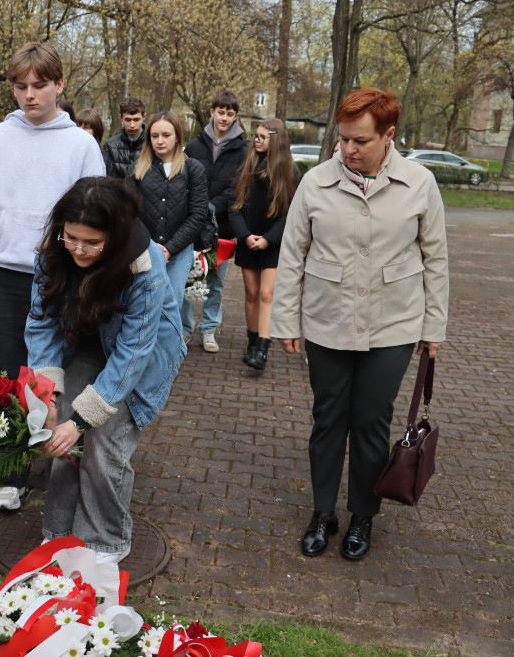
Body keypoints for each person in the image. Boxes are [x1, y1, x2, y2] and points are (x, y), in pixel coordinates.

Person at [272, 88, 449, 561]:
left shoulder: (419, 183)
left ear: (389, 136)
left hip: (393, 325)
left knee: (372, 422)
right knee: (328, 418)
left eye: (361, 141)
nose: (348, 150)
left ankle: (363, 515)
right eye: (343, 139)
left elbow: (435, 259)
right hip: (327, 321)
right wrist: (286, 319)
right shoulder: (315, 182)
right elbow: (292, 255)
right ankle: (323, 511)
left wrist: (434, 328)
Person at [0, 42, 105, 511]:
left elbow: (99, 213)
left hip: (63, 277)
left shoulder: (82, 144)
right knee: (4, 376)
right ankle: (10, 472)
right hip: (4, 274)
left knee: (55, 376)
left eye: (39, 86)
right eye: (21, 86)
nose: (29, 95)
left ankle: (64, 464)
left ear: (59, 85)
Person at [27, 176, 185, 564]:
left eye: (92, 242)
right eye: (72, 238)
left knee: (103, 437)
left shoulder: (145, 268)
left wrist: (82, 421)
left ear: (114, 236)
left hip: (143, 354)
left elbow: (133, 353)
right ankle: (60, 532)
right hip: (84, 342)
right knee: (58, 425)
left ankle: (105, 540)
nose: (79, 250)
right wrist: (48, 395)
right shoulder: (52, 253)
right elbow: (42, 324)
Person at [180, 91, 248, 352]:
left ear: (236, 116)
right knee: (189, 279)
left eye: (231, 114)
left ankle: (209, 329)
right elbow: (185, 181)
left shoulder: (243, 150)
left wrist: (211, 207)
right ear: (212, 112)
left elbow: (238, 189)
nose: (225, 118)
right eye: (221, 112)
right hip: (193, 225)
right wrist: (198, 208)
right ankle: (185, 329)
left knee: (216, 283)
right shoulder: (195, 147)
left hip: (222, 226)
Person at [231, 118, 298, 371]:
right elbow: (235, 205)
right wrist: (245, 235)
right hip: (248, 240)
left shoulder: (290, 172)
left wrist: (269, 239)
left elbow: (289, 214)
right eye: (255, 135)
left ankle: (262, 348)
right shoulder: (246, 166)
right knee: (251, 293)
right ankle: (251, 342)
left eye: (262, 136)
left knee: (267, 295)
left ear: (276, 139)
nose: (256, 140)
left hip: (273, 243)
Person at [124, 111, 209, 308]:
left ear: (177, 136)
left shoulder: (193, 168)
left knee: (171, 306)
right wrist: (150, 246)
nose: (159, 141)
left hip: (179, 250)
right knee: (142, 304)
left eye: (166, 135)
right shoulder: (136, 169)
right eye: (154, 136)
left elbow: (198, 214)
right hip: (143, 248)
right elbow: (128, 213)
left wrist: (170, 248)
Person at [103, 97, 146, 179]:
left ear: (144, 117)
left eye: (136, 120)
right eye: (128, 120)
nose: (132, 125)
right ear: (121, 118)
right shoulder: (110, 146)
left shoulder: (153, 144)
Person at [75, 108, 111, 173]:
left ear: (96, 131)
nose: (80, 130)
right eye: (78, 126)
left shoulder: (105, 160)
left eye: (85, 127)